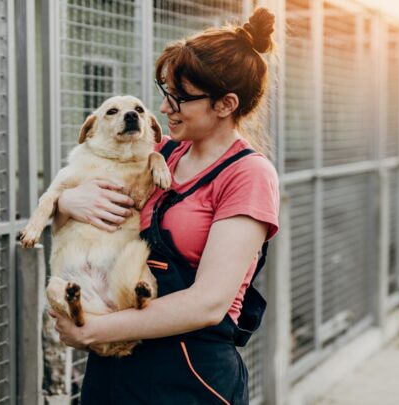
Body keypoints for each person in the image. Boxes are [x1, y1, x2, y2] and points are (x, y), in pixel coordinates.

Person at [49, 7, 280, 404]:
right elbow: (71, 220)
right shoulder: (159, 153)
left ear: (225, 104)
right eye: (165, 93)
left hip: (188, 370)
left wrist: (93, 331)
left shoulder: (248, 175)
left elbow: (209, 303)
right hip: (116, 364)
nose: (165, 107)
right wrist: (67, 200)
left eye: (180, 97)